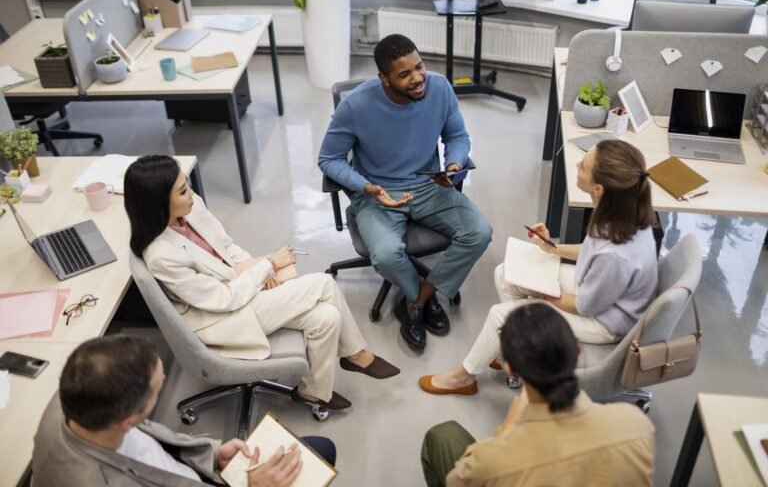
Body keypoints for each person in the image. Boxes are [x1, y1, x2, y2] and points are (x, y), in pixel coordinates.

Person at [124, 155, 399, 411]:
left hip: (237, 289)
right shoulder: (162, 256)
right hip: (220, 317)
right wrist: (268, 265)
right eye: (183, 191)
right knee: (324, 284)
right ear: (158, 203)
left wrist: (259, 270)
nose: (193, 194)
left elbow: (227, 247)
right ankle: (356, 354)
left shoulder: (192, 210)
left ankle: (313, 392)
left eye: (189, 186)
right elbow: (222, 300)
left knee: (326, 317)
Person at [420, 139, 658, 394]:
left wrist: (542, 293)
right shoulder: (622, 211)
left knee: (502, 317)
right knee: (505, 274)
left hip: (603, 321)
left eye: (584, 167)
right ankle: (511, 354)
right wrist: (551, 248)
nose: (577, 164)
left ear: (598, 188)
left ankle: (463, 378)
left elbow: (586, 306)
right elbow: (593, 251)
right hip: (596, 290)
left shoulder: (616, 256)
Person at [318, 33, 492, 351]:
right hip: (379, 193)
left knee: (479, 232)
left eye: (419, 67)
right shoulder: (356, 106)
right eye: (404, 74)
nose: (417, 79)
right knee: (384, 255)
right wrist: (365, 187)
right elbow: (328, 159)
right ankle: (418, 298)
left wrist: (453, 163)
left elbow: (458, 135)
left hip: (428, 185)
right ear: (384, 78)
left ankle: (418, 300)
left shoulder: (439, 88)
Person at [32, 335, 337, 487]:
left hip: (194, 473)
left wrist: (212, 453)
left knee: (317, 451)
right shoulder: (98, 480)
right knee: (319, 455)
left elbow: (151, 441)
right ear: (128, 421)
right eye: (157, 390)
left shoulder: (75, 395)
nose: (165, 382)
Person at [421, 303, 655, 486]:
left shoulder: (491, 460)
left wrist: (507, 430)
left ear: (509, 367)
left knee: (442, 434)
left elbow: (457, 482)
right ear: (578, 349)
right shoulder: (638, 426)